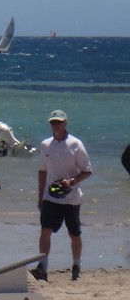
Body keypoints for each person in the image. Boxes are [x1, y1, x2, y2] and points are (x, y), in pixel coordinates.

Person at [31, 110, 92, 282]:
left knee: (74, 233)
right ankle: (42, 266)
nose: (55, 125)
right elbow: (42, 171)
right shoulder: (45, 145)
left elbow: (87, 171)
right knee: (45, 232)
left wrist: (71, 181)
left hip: (72, 198)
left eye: (59, 122)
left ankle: (76, 265)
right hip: (51, 198)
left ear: (65, 123)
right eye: (53, 122)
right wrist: (40, 197)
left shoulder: (75, 144)